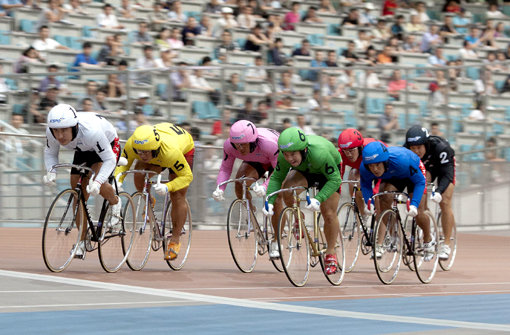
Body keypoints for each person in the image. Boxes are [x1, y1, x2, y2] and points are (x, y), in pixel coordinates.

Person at [43, 104, 122, 258]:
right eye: (56, 131)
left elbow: (109, 160)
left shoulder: (91, 131)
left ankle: (115, 201)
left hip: (107, 145)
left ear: (75, 126)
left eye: (64, 130)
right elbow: (50, 152)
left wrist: (98, 182)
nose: (59, 136)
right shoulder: (51, 132)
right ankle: (82, 239)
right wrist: (51, 172)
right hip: (83, 149)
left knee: (95, 181)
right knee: (77, 193)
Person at [263, 127, 343, 275]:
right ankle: (298, 217)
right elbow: (276, 178)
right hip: (306, 170)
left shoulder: (320, 153)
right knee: (288, 189)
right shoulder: (285, 157)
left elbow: (335, 179)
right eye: (286, 154)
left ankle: (331, 253)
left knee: (328, 212)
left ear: (304, 149)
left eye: (292, 154)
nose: (289, 158)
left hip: (328, 173)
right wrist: (269, 201)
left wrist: (318, 199)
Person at [114, 123, 195, 261]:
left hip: (181, 149)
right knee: (139, 171)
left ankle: (175, 240)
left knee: (177, 195)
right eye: (139, 151)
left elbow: (187, 177)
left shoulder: (170, 152)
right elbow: (123, 166)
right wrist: (117, 179)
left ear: (155, 148)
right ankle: (149, 200)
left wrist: (168, 187)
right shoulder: (132, 144)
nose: (142, 155)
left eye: (145, 152)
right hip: (160, 153)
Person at [212, 120, 280, 257]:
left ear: (253, 141)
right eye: (236, 145)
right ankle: (252, 216)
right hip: (256, 160)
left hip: (276, 161)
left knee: (275, 197)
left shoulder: (268, 144)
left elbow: (279, 171)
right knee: (240, 182)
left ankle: (277, 241)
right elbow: (225, 168)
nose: (240, 149)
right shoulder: (229, 146)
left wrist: (265, 186)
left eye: (243, 145)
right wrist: (220, 187)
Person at [359, 141, 432, 260]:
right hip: (394, 176)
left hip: (412, 171)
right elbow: (366, 185)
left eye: (377, 165)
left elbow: (420, 182)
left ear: (384, 161)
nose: (375, 169)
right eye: (371, 166)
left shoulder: (402, 160)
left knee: (418, 210)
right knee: (384, 196)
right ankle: (388, 238)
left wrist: (413, 204)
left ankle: (428, 240)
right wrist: (370, 203)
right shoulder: (365, 168)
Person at [403, 125, 456, 260]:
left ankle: (446, 245)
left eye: (419, 147)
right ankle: (429, 231)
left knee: (444, 201)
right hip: (426, 169)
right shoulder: (405, 150)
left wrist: (438, 191)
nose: (416, 151)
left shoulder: (441, 148)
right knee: (420, 203)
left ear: (426, 144)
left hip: (443, 168)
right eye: (413, 148)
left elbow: (448, 175)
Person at [337, 128, 385, 217]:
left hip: (378, 164)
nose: (348, 155)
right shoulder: (341, 154)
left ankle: (378, 217)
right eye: (345, 151)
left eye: (351, 150)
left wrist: (375, 192)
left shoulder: (368, 150)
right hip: (361, 168)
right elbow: (339, 175)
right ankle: (361, 217)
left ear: (359, 148)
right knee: (353, 179)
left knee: (378, 195)